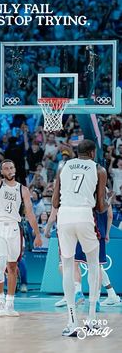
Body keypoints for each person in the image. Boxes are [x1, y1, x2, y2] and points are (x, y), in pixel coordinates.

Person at [52, 139, 108, 336]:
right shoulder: (99, 169)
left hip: (65, 215)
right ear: (92, 153)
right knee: (93, 265)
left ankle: (72, 322)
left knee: (67, 266)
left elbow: (54, 201)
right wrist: (108, 201)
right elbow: (100, 206)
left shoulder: (63, 166)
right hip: (84, 215)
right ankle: (92, 319)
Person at [0, 142, 42, 317]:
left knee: (12, 266)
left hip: (15, 230)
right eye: (6, 168)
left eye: (11, 167)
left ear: (15, 170)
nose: (9, 170)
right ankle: (0, 302)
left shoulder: (22, 189)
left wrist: (37, 234)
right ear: (2, 172)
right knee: (0, 264)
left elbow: (30, 213)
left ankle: (10, 303)